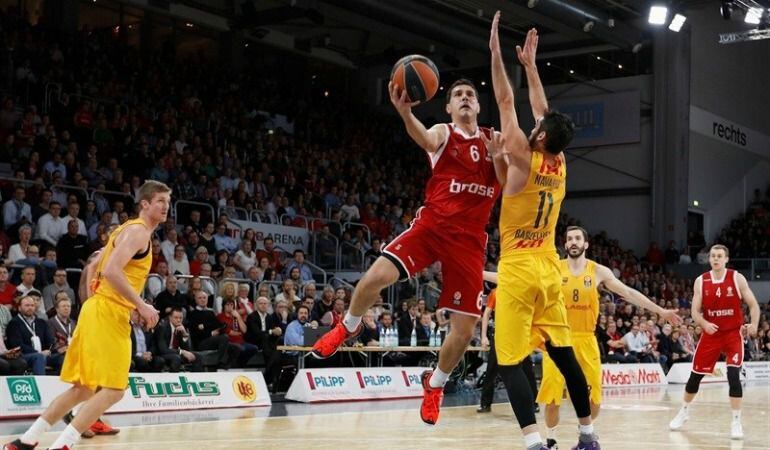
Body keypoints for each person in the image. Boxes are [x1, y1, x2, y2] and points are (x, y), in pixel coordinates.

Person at [311, 43, 507, 429]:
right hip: (431, 228)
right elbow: (424, 138)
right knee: (373, 279)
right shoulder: (442, 132)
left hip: (469, 241)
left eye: (470, 95)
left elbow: (505, 186)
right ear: (447, 106)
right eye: (457, 96)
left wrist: (500, 157)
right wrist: (404, 113)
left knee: (465, 331)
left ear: (479, 106)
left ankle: (434, 384)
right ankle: (347, 327)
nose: (465, 99)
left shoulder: (493, 139)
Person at [488, 16, 596, 449]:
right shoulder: (559, 161)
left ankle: (534, 442)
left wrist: (496, 53)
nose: (534, 126)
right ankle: (588, 435)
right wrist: (532, 67)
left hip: (518, 267)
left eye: (538, 127)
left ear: (540, 135)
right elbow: (541, 111)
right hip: (550, 266)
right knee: (563, 353)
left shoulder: (522, 154)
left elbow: (503, 98)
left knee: (510, 359)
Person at [3, 180, 167, 450]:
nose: (166, 207)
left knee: (84, 388)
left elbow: (95, 268)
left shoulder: (123, 232)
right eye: (160, 201)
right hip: (108, 312)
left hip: (98, 309)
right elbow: (113, 272)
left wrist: (99, 300)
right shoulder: (138, 233)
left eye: (169, 202)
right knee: (114, 389)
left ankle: (26, 440)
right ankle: (62, 445)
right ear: (145, 204)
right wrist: (142, 304)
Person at [529, 226, 681, 449]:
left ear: (585, 244)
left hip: (586, 339)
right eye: (569, 238)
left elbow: (628, 293)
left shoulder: (598, 271)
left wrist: (660, 310)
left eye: (577, 238)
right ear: (565, 244)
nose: (573, 242)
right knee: (551, 399)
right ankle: (551, 440)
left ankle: (584, 436)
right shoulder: (554, 268)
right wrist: (482, 273)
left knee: (594, 401)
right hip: (559, 338)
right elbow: (522, 282)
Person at [669, 245, 760, 440]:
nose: (715, 259)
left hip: (732, 334)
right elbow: (694, 311)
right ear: (709, 259)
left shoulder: (736, 278)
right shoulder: (701, 281)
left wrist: (754, 324)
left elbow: (753, 304)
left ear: (726, 259)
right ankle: (684, 411)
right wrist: (704, 323)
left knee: (733, 375)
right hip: (711, 335)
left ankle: (736, 421)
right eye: (712, 256)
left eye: (719, 256)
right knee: (695, 377)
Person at [477, 288, 539, 415]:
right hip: (500, 335)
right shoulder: (496, 292)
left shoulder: (520, 290)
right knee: (491, 369)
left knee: (527, 368)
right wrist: (483, 336)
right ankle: (485, 403)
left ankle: (534, 402)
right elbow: (487, 314)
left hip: (519, 334)